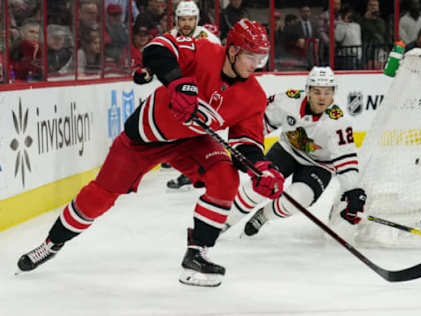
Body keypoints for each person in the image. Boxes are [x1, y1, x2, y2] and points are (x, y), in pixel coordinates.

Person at [17, 19, 285, 288]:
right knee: (100, 197)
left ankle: (197, 255)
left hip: (192, 140)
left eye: (262, 58)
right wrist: (178, 82)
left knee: (225, 178)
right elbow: (156, 48)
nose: (256, 65)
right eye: (252, 56)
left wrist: (260, 167)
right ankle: (52, 243)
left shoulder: (254, 97)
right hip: (144, 138)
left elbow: (246, 143)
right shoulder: (204, 51)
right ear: (233, 50)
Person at [223, 67, 366, 236]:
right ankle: (221, 224)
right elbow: (258, 125)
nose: (322, 97)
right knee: (259, 186)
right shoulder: (288, 101)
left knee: (296, 199)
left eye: (327, 92)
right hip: (286, 151)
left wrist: (353, 192)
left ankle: (264, 216)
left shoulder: (339, 122)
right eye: (317, 91)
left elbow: (346, 160)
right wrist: (244, 145)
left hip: (319, 165)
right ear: (308, 91)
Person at [166, 0, 221, 190]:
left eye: (190, 19)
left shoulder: (209, 38)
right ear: (176, 20)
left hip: (202, 90)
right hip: (181, 90)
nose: (187, 24)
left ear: (196, 19)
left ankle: (197, 171)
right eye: (183, 19)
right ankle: (192, 169)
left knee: (196, 133)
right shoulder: (169, 38)